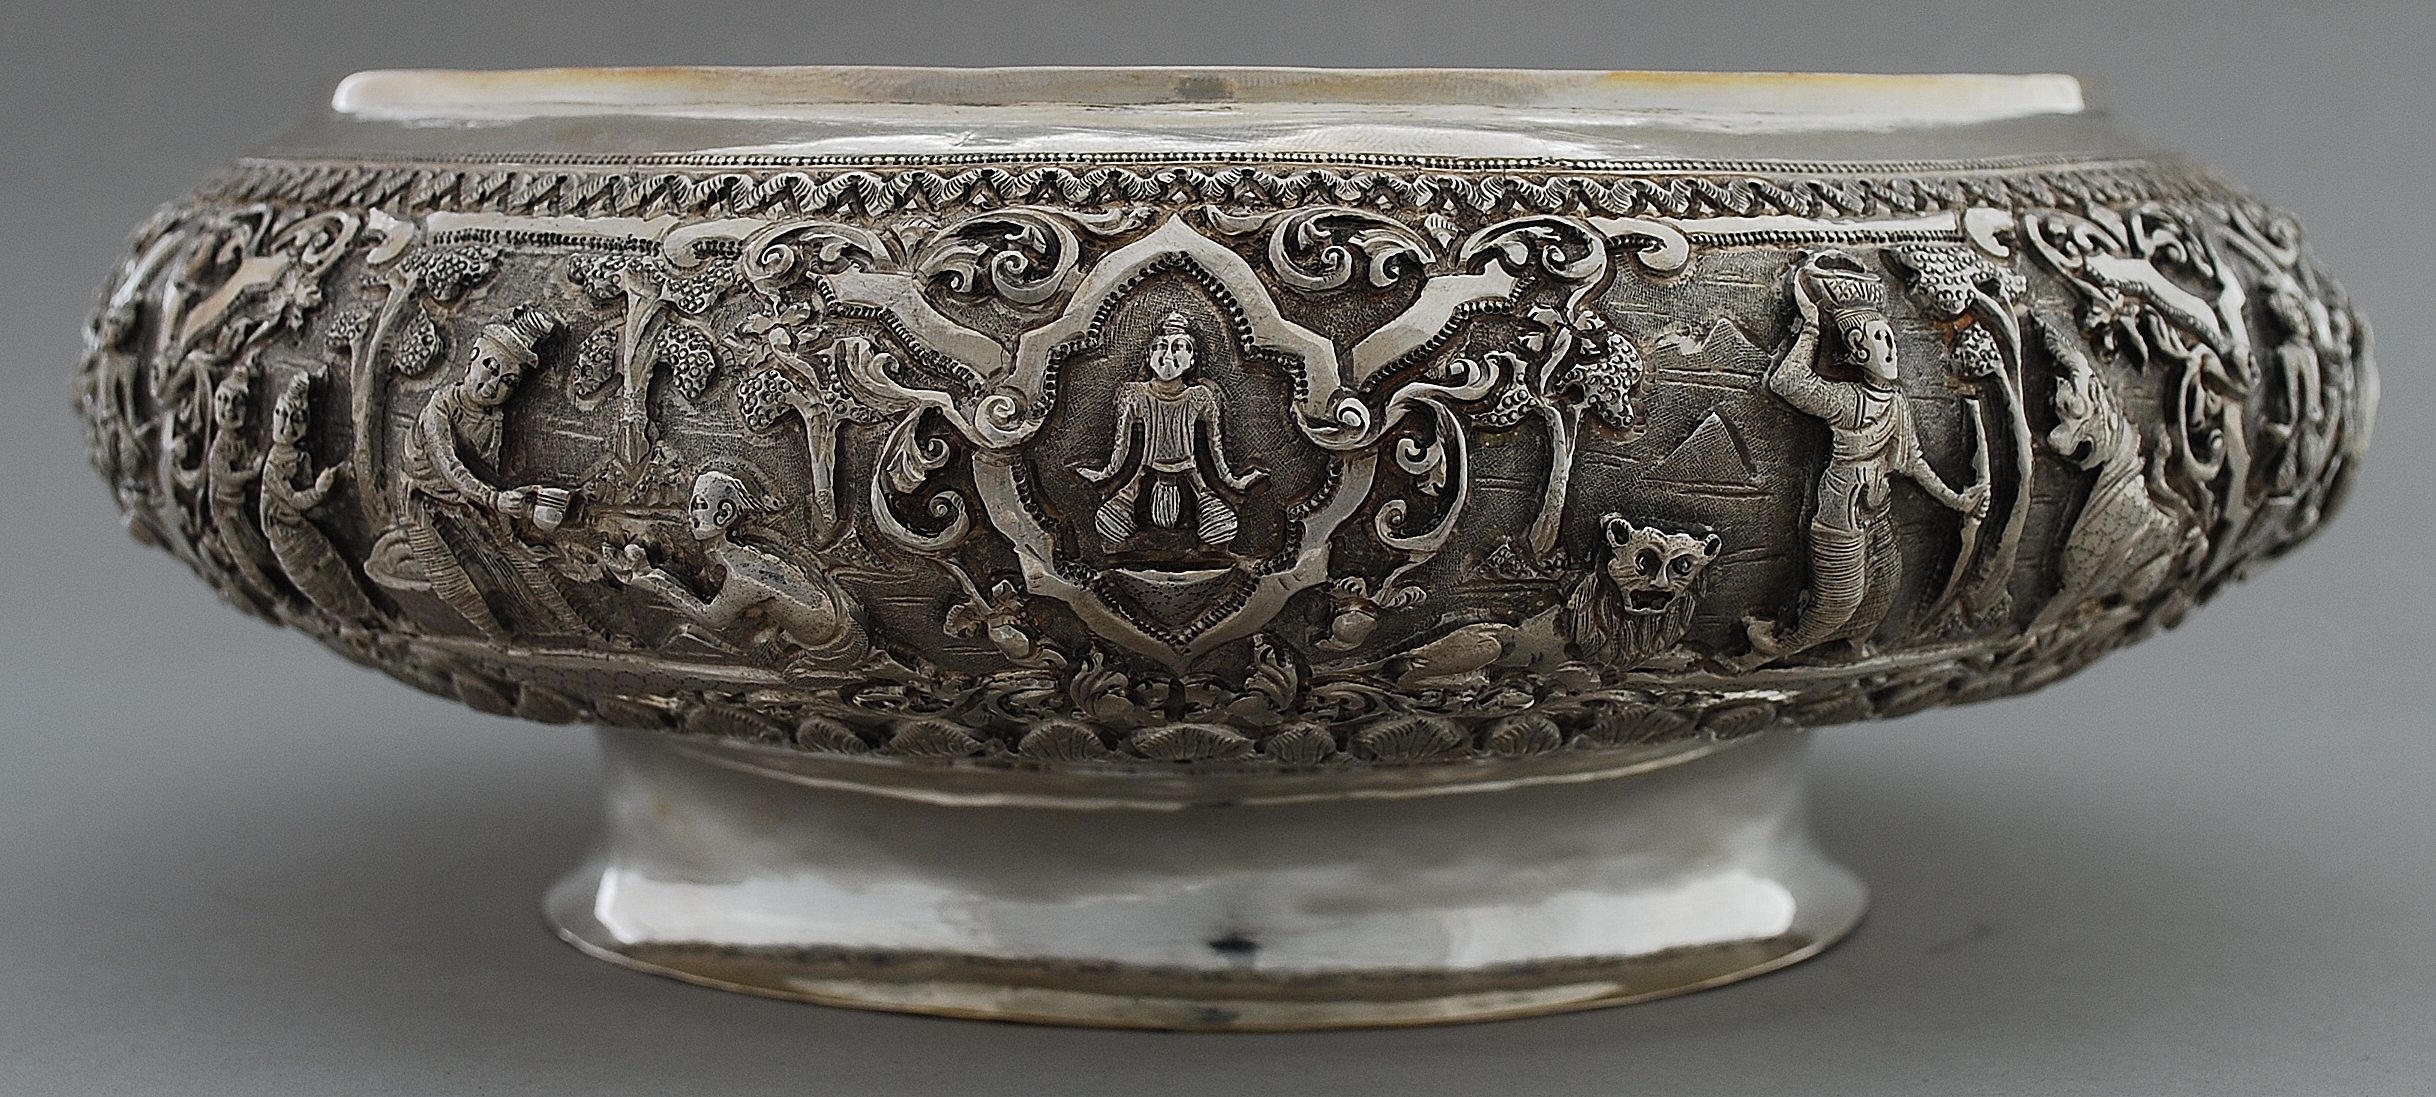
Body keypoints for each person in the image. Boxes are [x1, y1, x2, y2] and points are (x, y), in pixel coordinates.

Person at [1742, 253, 1987, 666]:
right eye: (1878, 341)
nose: (1891, 349)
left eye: (1889, 338)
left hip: (1876, 509)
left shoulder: (1895, 403)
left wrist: (1957, 500)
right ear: (1856, 350)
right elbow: (1787, 381)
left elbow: (1913, 462)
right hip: (1842, 514)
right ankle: (1772, 651)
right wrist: (1812, 328)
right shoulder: (1849, 403)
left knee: (1885, 583)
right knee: (1838, 601)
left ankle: (1842, 653)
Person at [397, 307, 587, 642]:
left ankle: (580, 629)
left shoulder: (494, 421)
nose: (492, 385)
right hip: (426, 505)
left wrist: (519, 498)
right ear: (473, 356)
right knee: (457, 583)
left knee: (530, 563)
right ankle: (499, 635)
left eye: (507, 382)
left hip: (475, 507)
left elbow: (493, 473)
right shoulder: (440, 407)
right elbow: (450, 468)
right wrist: (495, 499)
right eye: (491, 368)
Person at [607, 469, 872, 676]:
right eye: (692, 506)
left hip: (834, 648)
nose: (690, 514)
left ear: (724, 514)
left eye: (699, 505)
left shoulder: (744, 574)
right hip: (830, 623)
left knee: (787, 675)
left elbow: (712, 618)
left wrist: (650, 579)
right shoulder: (745, 554)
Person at [1080, 311, 1264, 548]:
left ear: (1192, 359)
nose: (1168, 356)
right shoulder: (1134, 393)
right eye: (1160, 347)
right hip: (1141, 475)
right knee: (1110, 523)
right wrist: (1103, 475)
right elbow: (1120, 447)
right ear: (1149, 356)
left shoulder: (1200, 396)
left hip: (1192, 475)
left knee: (1222, 527)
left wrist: (1233, 482)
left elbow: (1215, 450)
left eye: (1179, 348)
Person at [260, 373, 380, 627]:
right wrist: (320, 490)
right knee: (321, 575)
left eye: (295, 419)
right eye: (282, 415)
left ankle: (364, 613)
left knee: (331, 567)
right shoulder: (274, 465)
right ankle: (359, 618)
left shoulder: (296, 457)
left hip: (298, 530)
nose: (287, 426)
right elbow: (295, 499)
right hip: (288, 535)